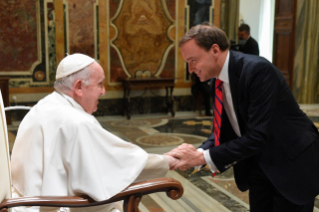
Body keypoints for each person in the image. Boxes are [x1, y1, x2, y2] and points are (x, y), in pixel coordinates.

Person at [166, 23, 319, 211]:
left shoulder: (257, 70)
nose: (190, 69)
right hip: (258, 165)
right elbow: (223, 130)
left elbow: (257, 136)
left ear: (214, 50)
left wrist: (201, 158)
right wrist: (196, 153)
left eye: (193, 60)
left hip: (291, 163)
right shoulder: (217, 81)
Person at [10, 53, 179, 212]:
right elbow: (120, 163)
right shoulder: (76, 121)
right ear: (79, 87)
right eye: (100, 84)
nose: (104, 91)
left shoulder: (43, 106)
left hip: (25, 204)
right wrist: (168, 161)